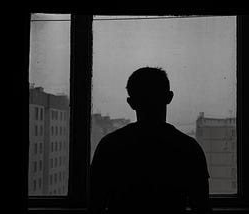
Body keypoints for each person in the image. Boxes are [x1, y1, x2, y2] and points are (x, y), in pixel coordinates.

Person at [90, 67, 210, 214]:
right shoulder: (189, 148)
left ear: (131, 102)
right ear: (169, 97)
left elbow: (95, 205)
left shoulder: (109, 146)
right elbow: (202, 207)